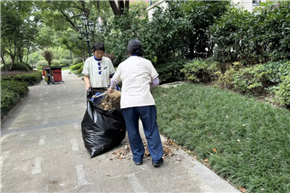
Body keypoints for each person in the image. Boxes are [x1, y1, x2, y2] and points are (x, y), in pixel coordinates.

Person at [107, 39, 164, 167]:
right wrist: (146, 82)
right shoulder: (147, 63)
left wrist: (111, 88)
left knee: (132, 130)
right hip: (145, 102)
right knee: (151, 130)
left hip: (128, 104)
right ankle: (156, 158)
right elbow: (156, 82)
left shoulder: (123, 65)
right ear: (140, 50)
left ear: (128, 51)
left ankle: (138, 157)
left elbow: (114, 81)